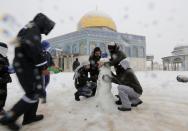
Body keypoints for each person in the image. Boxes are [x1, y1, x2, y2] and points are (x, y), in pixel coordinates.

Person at [0, 13, 55, 130]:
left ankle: (30, 117)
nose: (44, 33)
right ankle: (8, 118)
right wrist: (44, 66)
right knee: (31, 93)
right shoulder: (33, 30)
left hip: (27, 65)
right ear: (43, 24)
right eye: (46, 30)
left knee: (36, 91)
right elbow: (33, 48)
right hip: (25, 66)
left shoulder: (30, 28)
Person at [103, 42, 143, 111]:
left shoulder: (127, 72)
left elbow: (119, 81)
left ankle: (126, 106)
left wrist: (109, 78)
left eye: (121, 65)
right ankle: (135, 100)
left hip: (136, 91)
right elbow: (120, 80)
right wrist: (111, 74)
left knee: (121, 87)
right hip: (137, 91)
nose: (119, 66)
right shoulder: (127, 70)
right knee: (123, 85)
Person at [0, 42, 12, 115]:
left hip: (4, 78)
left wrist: (9, 69)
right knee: (1, 94)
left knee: (3, 94)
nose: (6, 50)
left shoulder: (4, 56)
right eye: (4, 48)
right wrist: (5, 68)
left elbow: (6, 66)